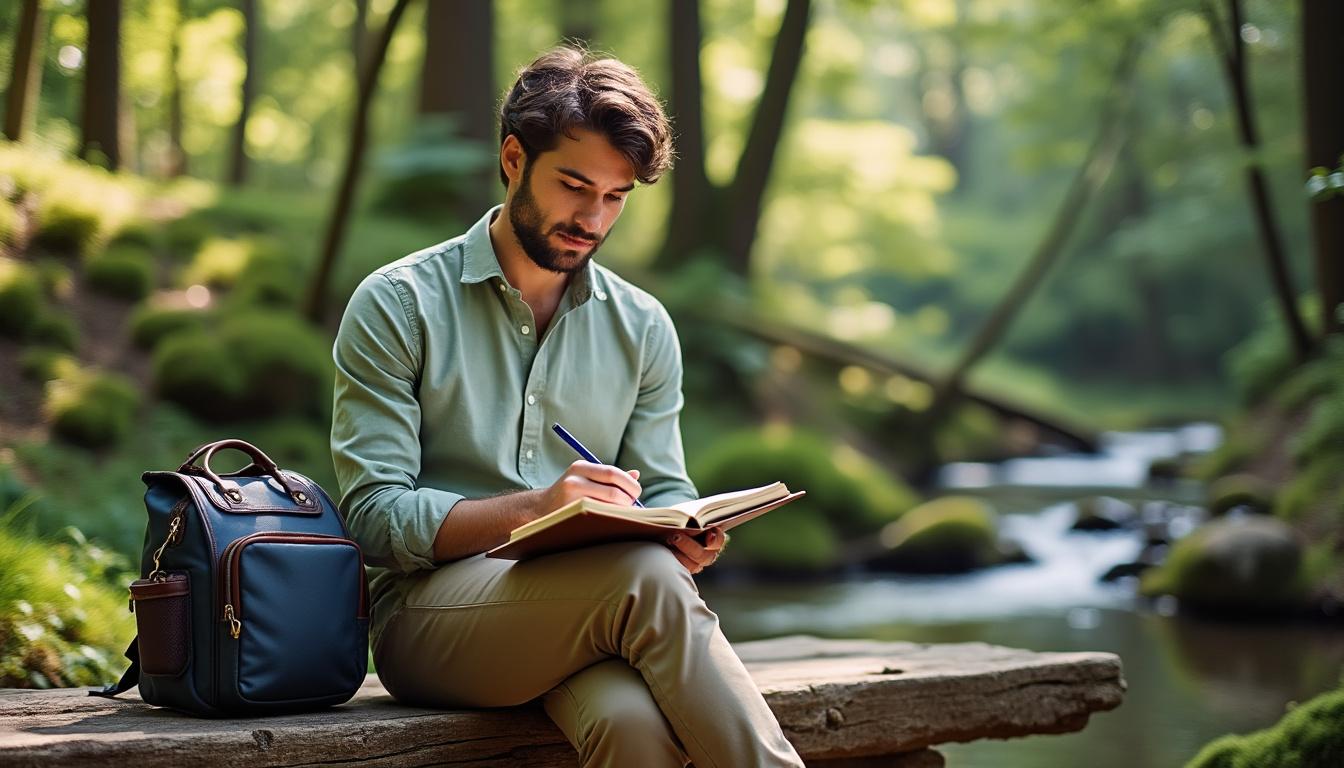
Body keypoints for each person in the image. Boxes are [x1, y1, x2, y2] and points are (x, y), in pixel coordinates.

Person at [330, 46, 805, 768]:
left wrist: (686, 530)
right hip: (428, 621)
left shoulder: (643, 327)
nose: (593, 217)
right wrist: (534, 508)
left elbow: (667, 487)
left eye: (616, 196)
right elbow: (372, 517)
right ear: (514, 158)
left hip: (593, 610)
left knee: (631, 728)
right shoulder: (399, 304)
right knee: (643, 582)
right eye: (575, 185)